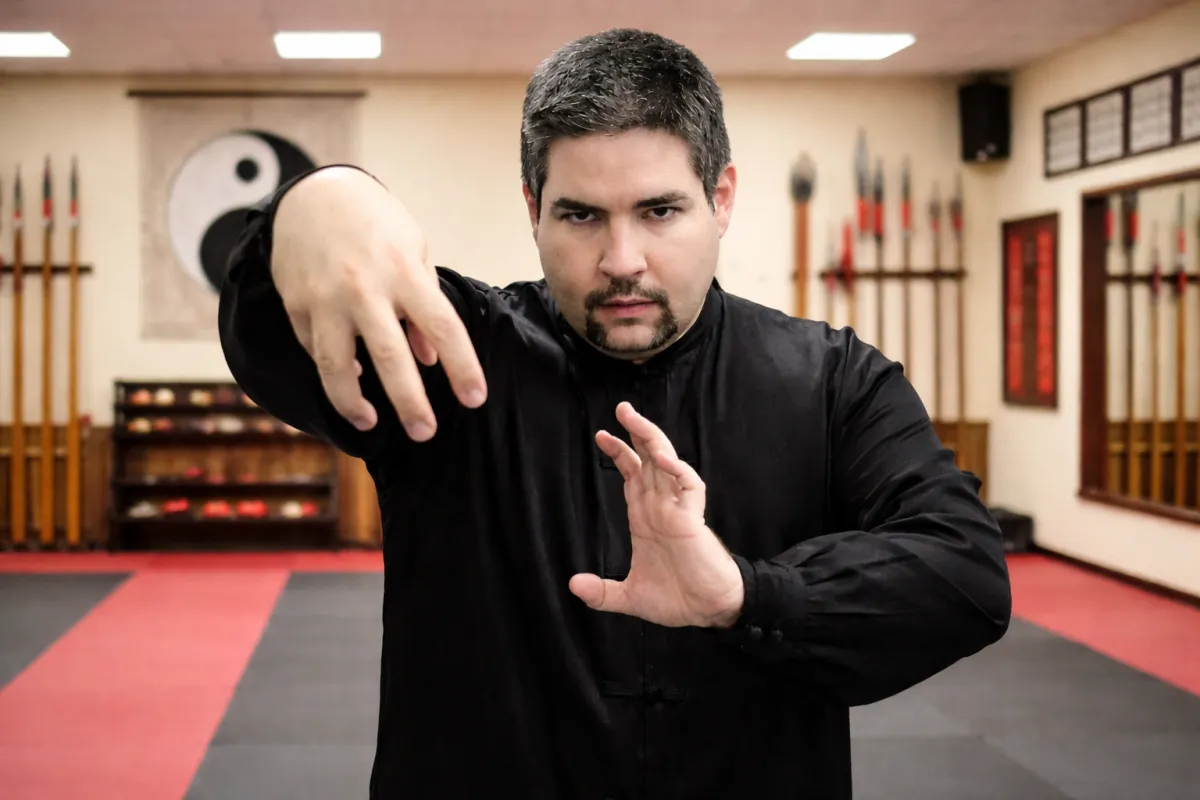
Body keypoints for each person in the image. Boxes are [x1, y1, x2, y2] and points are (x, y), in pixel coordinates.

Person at [218, 28, 1012, 800]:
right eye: (581, 215)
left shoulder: (831, 379)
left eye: (660, 211)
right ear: (533, 207)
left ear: (721, 196)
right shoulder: (457, 354)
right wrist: (314, 204)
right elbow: (270, 340)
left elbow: (964, 575)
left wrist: (744, 594)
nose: (622, 260)